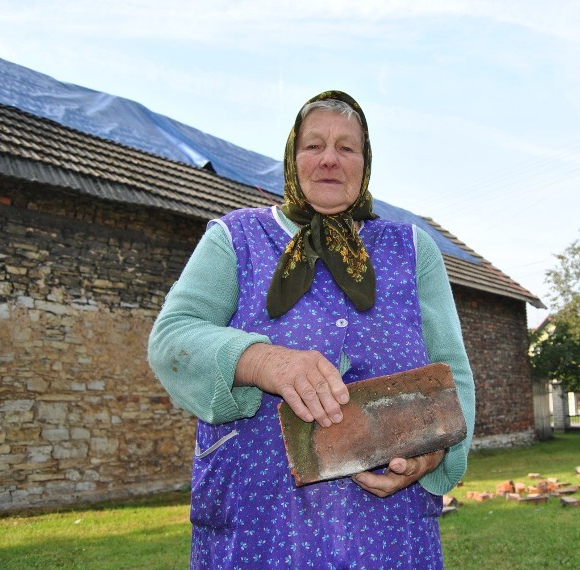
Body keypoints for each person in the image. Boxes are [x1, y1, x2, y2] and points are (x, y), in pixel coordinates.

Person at [148, 90, 475, 569]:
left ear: (365, 163)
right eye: (313, 145)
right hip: (259, 521)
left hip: (388, 529)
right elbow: (171, 338)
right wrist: (264, 361)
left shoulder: (411, 250)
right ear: (291, 157)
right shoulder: (236, 239)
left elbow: (453, 373)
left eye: (346, 148)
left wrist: (436, 452)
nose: (329, 159)